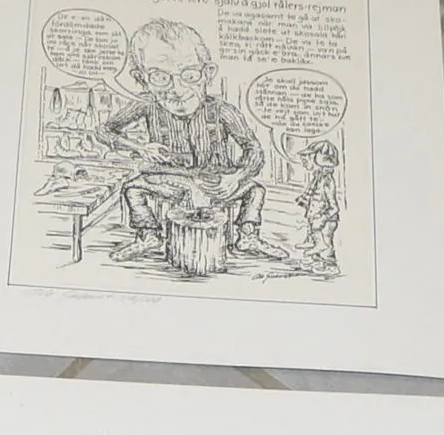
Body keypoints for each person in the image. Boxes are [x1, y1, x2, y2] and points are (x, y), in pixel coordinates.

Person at [97, 21, 273, 264]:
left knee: (255, 190)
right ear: (141, 78)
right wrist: (140, 148)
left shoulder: (223, 110)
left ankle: (248, 236)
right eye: (160, 77)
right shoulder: (146, 105)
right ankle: (148, 236)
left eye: (190, 75)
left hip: (215, 181)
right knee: (132, 189)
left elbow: (253, 149)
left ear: (207, 73)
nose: (177, 89)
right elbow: (104, 130)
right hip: (170, 179)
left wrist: (235, 177)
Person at [296, 136, 343, 275]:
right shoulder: (317, 179)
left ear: (319, 160)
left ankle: (331, 265)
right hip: (316, 219)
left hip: (326, 220)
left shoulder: (327, 181)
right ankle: (316, 262)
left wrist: (322, 219)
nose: (304, 163)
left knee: (326, 244)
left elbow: (334, 207)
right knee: (316, 244)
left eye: (307, 159)